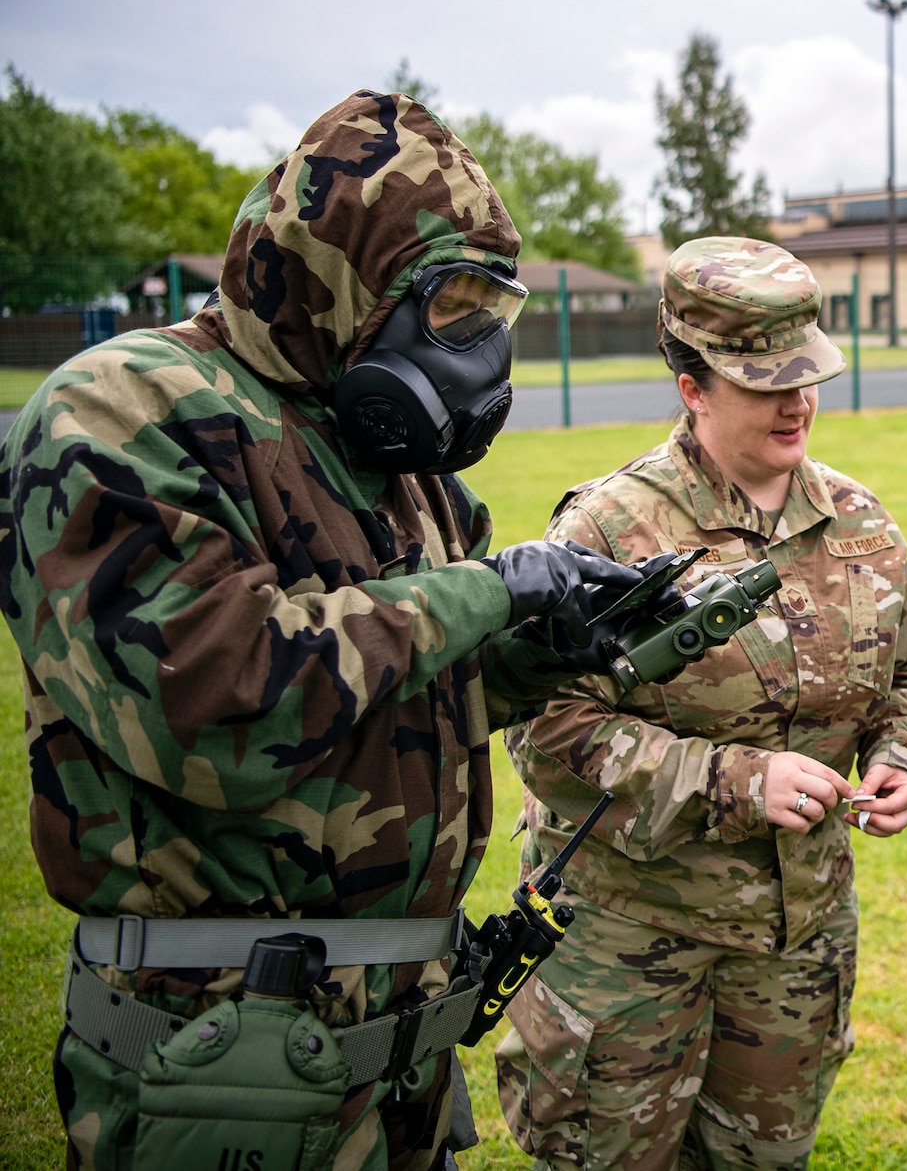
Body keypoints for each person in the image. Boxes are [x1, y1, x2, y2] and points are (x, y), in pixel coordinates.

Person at [0, 90, 651, 1169]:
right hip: (216, 1066)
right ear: (338, 276)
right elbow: (209, 703)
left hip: (398, 1055)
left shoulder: (390, 458)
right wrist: (492, 590)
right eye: (449, 305)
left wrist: (552, 639)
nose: (477, 347)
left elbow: (416, 694)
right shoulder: (123, 407)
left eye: (492, 309)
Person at [497, 237, 907, 1170]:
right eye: (764, 380)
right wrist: (740, 781)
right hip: (633, 947)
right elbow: (549, 731)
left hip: (794, 947)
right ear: (692, 384)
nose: (798, 401)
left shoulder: (860, 523)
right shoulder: (608, 530)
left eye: (807, 373)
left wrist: (901, 757)